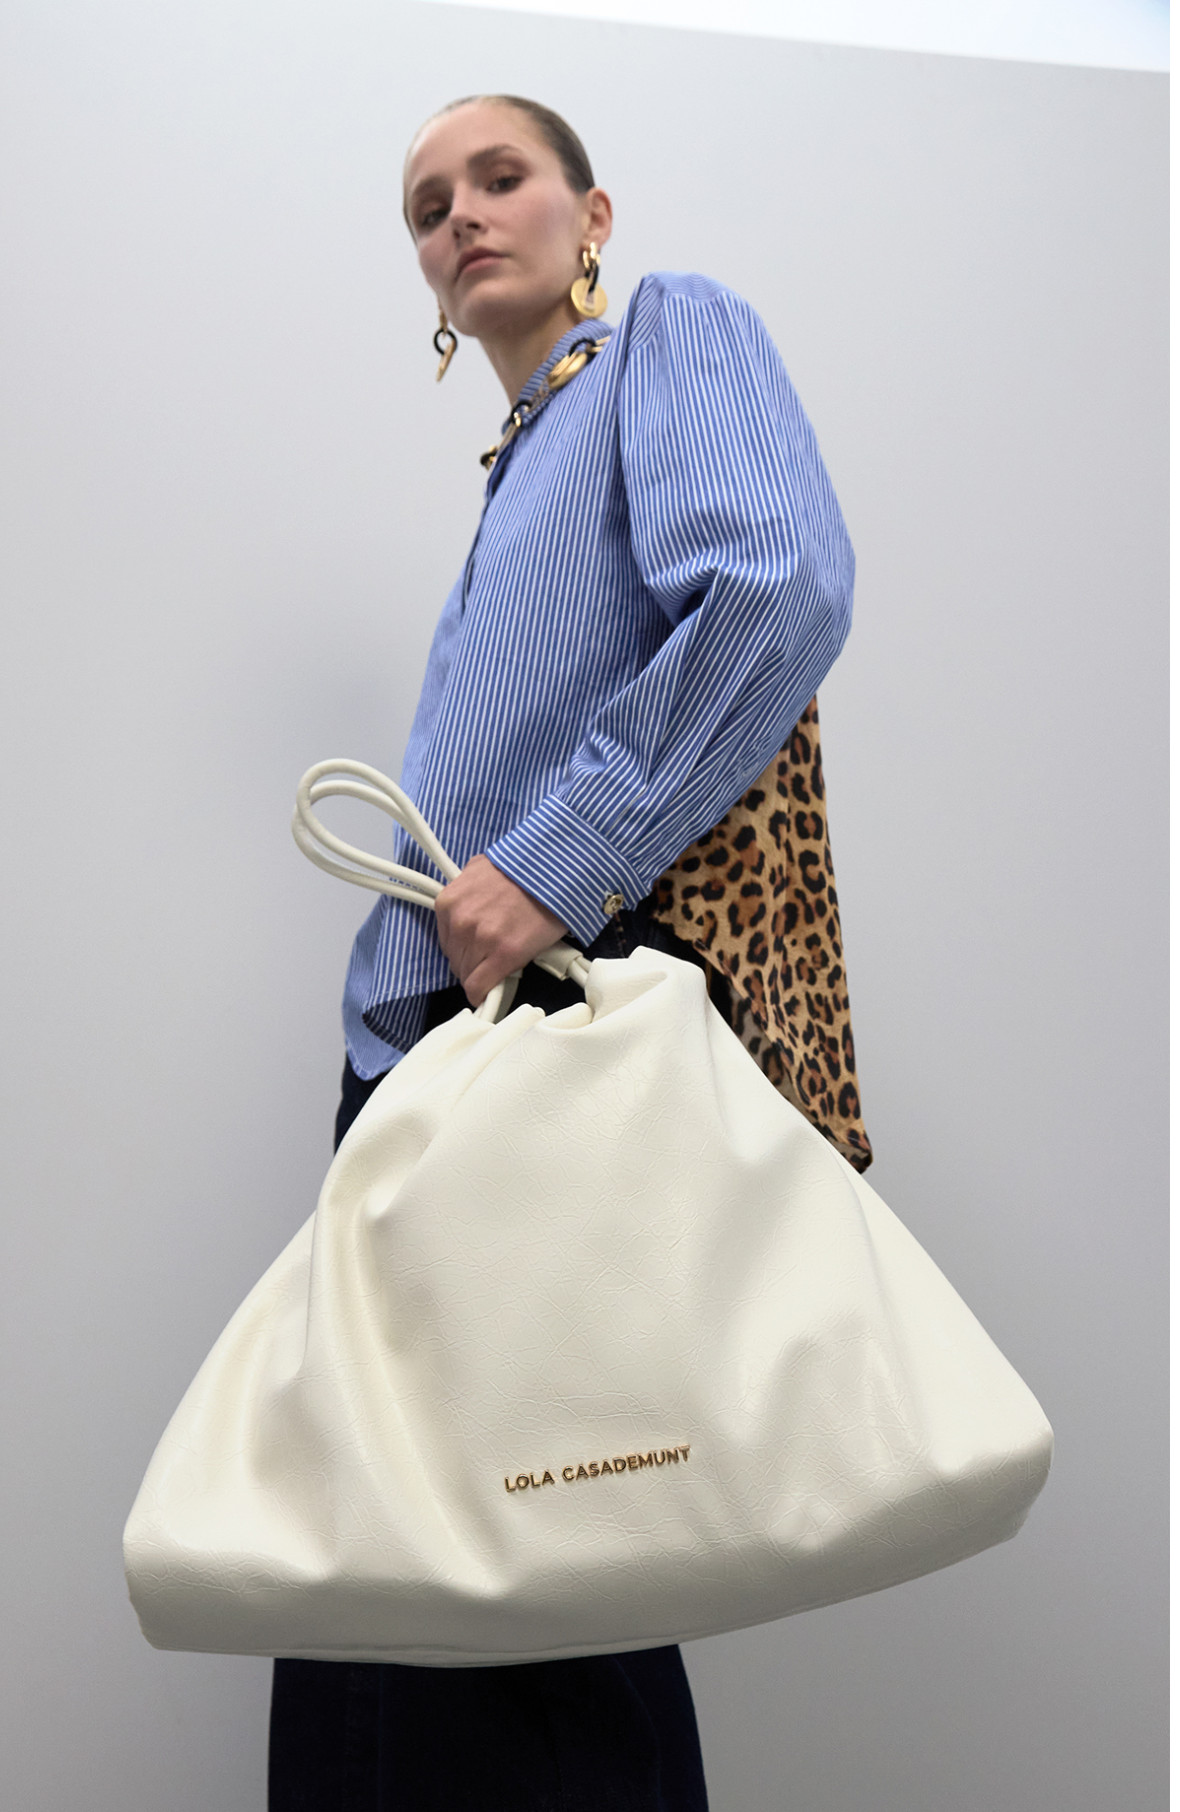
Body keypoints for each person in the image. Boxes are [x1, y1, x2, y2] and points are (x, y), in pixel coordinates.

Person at [269, 93, 872, 1812]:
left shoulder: (672, 339)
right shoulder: (521, 459)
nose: (461, 216)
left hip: (524, 1051)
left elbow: (776, 585)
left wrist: (551, 867)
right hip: (416, 1062)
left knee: (539, 1576)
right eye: (427, 206)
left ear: (592, 214)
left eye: (501, 178)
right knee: (385, 1588)